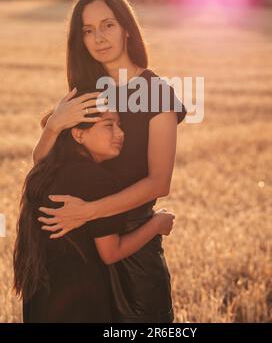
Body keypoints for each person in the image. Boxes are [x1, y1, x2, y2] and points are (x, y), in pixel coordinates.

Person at [32, 0, 187, 322]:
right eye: (88, 30)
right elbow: (43, 168)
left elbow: (159, 183)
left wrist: (89, 211)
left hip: (133, 246)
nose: (98, 38)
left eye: (107, 25)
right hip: (79, 250)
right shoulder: (85, 93)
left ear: (127, 29)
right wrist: (55, 125)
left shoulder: (156, 93)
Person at [14, 105, 175, 323]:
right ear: (79, 134)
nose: (120, 133)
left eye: (119, 125)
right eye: (109, 125)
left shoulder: (44, 172)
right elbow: (111, 252)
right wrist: (158, 223)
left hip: (39, 300)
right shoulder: (97, 180)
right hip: (80, 303)